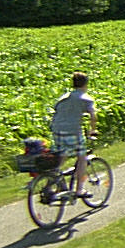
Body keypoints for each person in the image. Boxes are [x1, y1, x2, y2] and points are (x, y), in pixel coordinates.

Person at [49, 72, 97, 200]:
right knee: (82, 157)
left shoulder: (63, 97)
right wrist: (92, 130)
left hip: (57, 129)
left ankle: (53, 180)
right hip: (72, 130)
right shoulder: (86, 98)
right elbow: (93, 116)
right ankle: (79, 190)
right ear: (86, 84)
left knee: (62, 154)